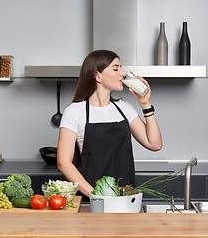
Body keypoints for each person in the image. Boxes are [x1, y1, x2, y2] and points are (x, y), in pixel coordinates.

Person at [57, 50, 162, 198]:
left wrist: (145, 105)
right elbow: (64, 163)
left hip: (125, 198)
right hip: (92, 200)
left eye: (121, 67)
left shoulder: (124, 108)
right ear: (98, 76)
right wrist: (97, 196)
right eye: (116, 68)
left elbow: (154, 144)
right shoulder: (75, 111)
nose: (123, 73)